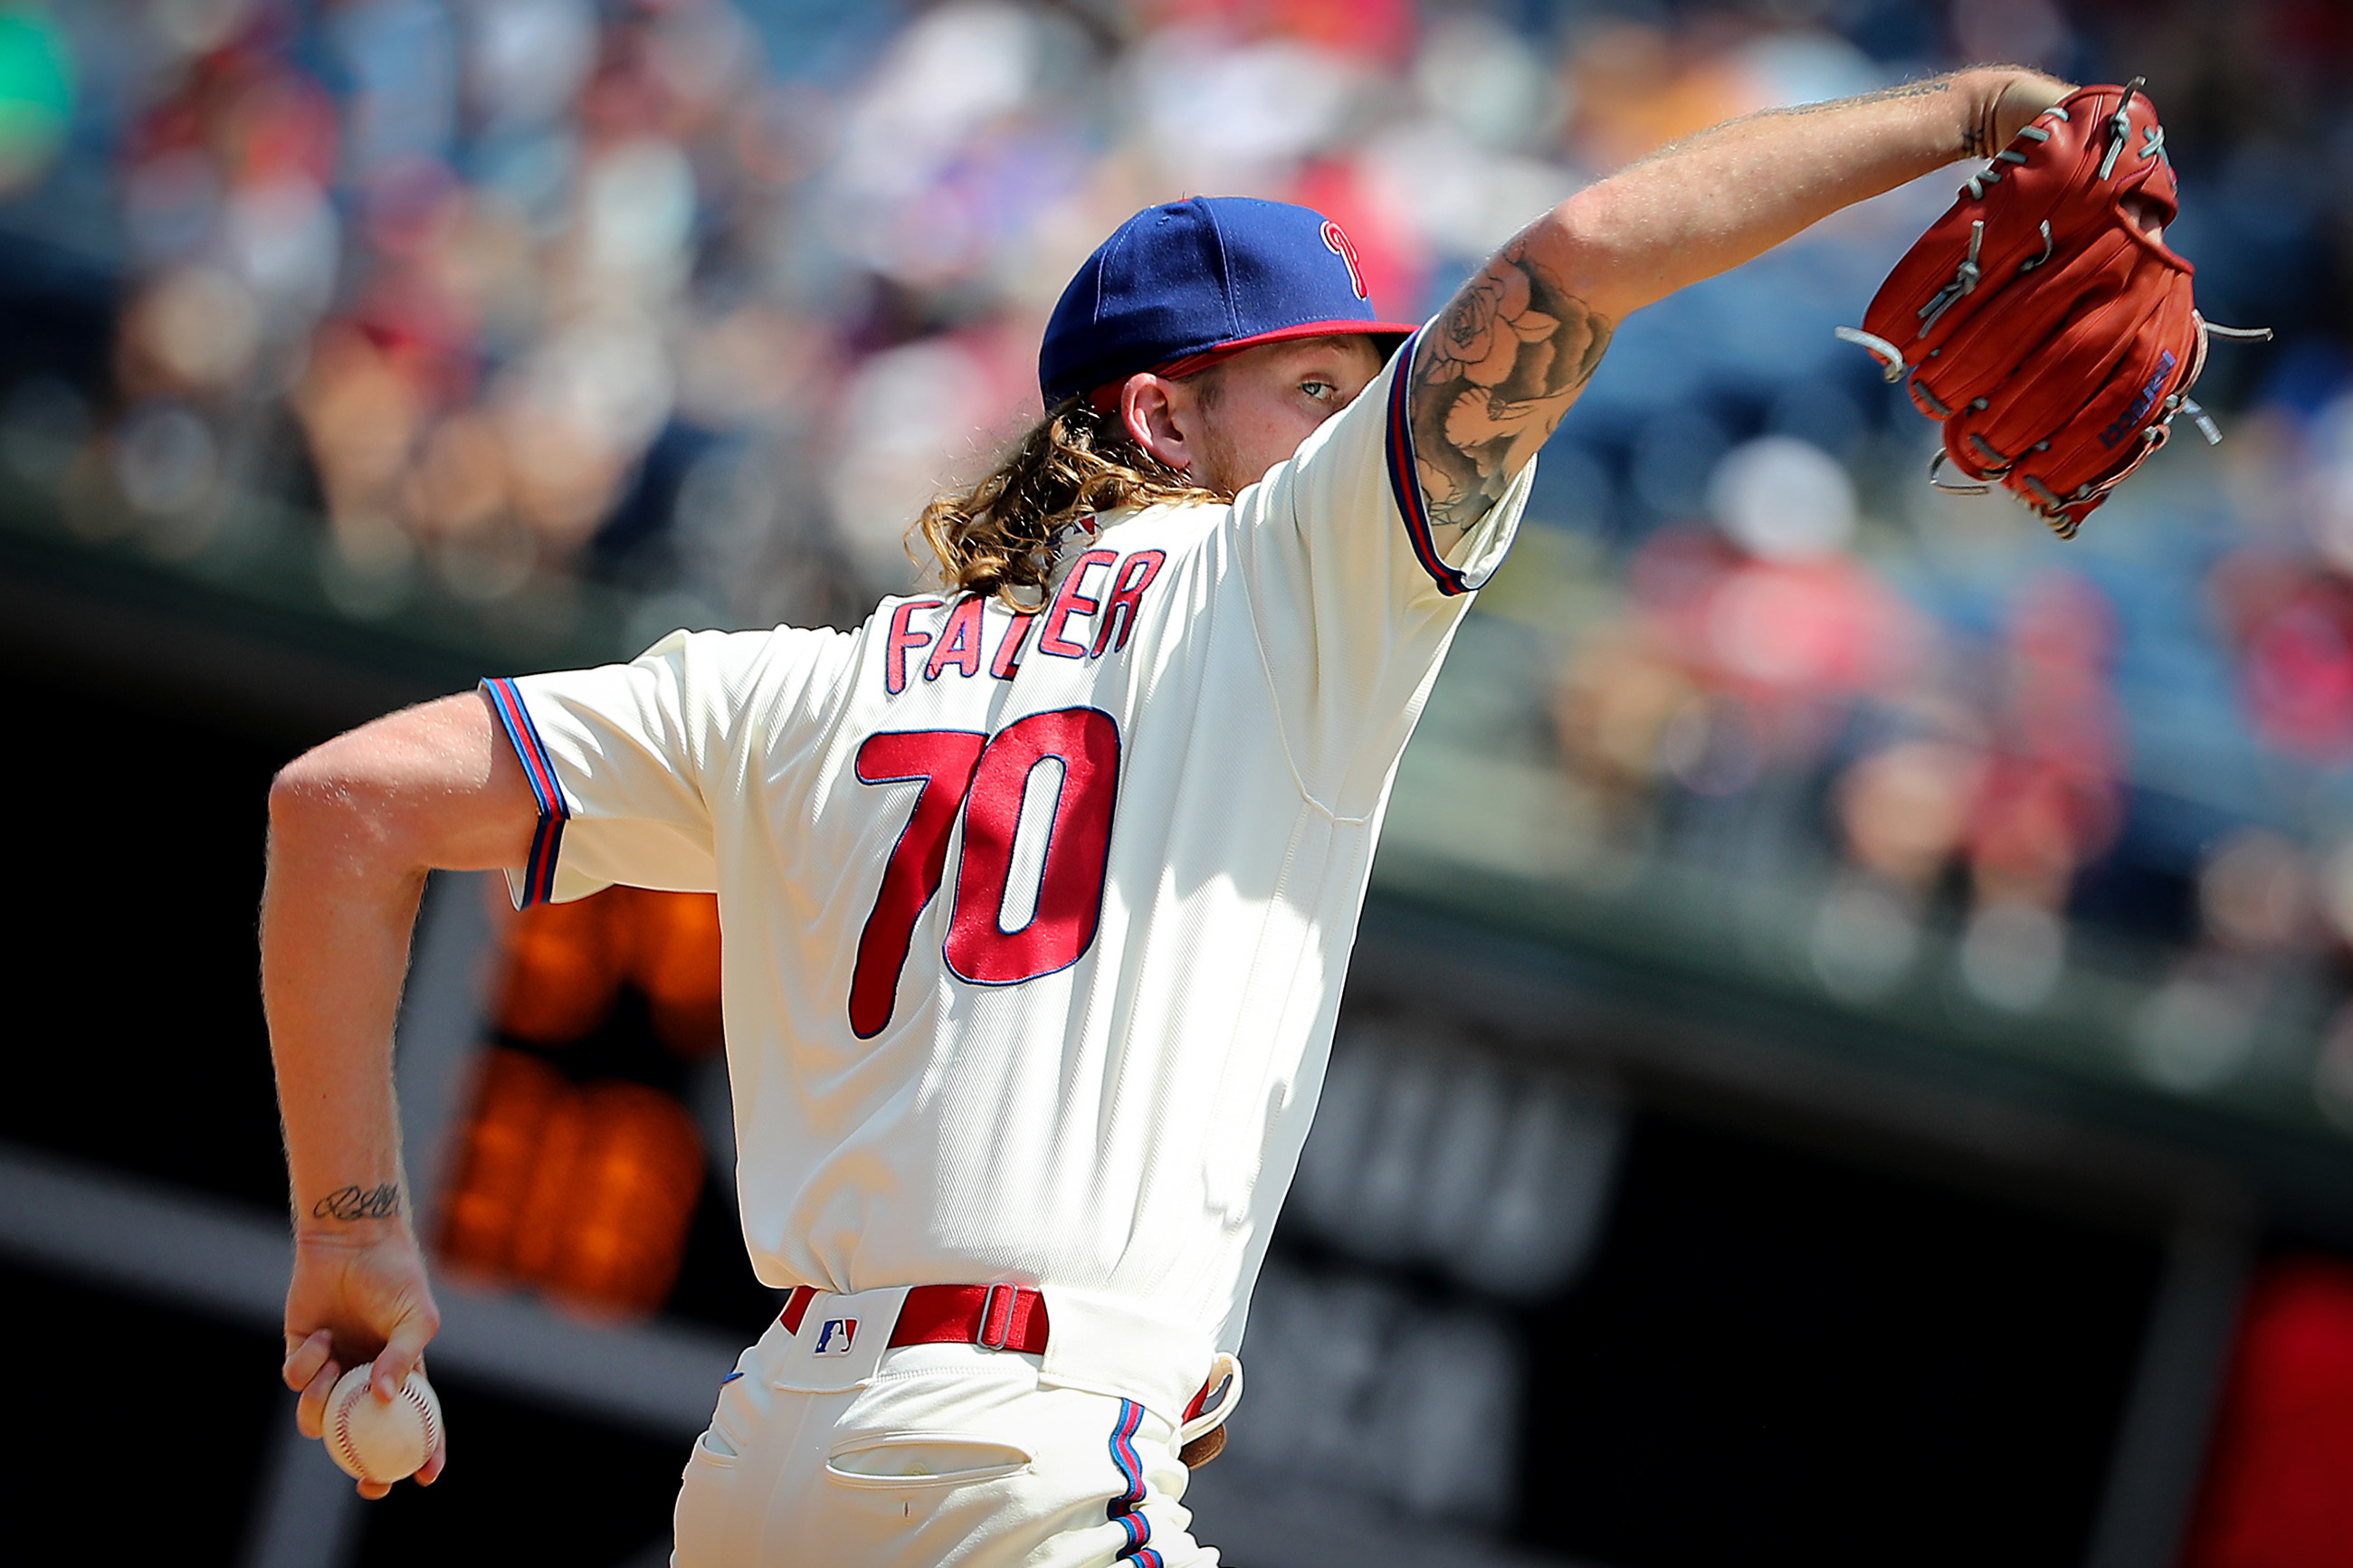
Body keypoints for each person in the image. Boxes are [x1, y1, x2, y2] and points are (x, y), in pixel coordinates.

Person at [264, 64, 2072, 1566]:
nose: (1356, 423)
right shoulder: (1279, 587)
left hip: (768, 1465)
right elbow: (1582, 256)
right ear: (1160, 413)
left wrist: (352, 1231)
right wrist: (1974, 111)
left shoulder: (803, 684)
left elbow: (338, 809)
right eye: (1312, 386)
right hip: (1020, 1472)